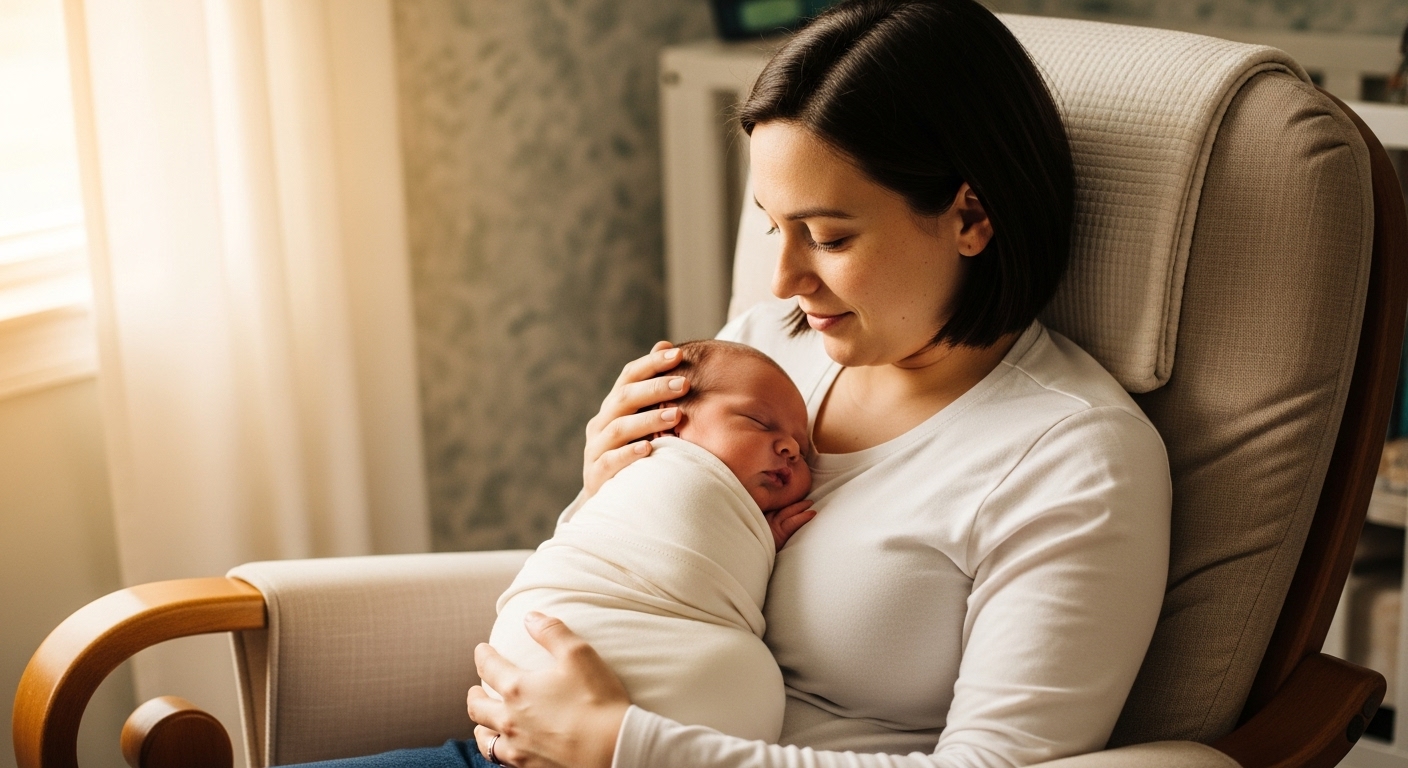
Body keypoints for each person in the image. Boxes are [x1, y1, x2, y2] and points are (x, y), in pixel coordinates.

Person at [290, 0, 1171, 766]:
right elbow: (624, 585)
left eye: (827, 236)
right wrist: (607, 495)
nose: (783, 279)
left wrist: (622, 745)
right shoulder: (764, 349)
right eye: (771, 227)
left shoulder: (1074, 459)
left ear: (970, 216)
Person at [487, 340, 814, 744]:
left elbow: (707, 580)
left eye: (803, 449)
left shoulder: (749, 520)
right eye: (759, 422)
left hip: (634, 729)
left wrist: (758, 542)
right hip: (550, 636)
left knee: (745, 674)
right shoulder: (663, 463)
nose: (791, 448)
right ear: (666, 421)